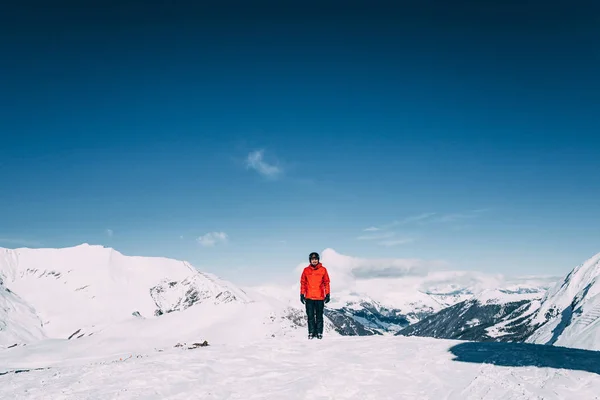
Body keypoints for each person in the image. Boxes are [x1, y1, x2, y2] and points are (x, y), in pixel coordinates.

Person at [300, 252, 330, 339]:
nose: (314, 261)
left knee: (319, 316)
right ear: (310, 260)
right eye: (313, 259)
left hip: (320, 297)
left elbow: (326, 282)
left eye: (316, 259)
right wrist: (302, 294)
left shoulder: (323, 270)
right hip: (309, 297)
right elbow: (303, 283)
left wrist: (327, 294)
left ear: (318, 260)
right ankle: (311, 332)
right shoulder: (306, 270)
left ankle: (319, 332)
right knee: (310, 316)